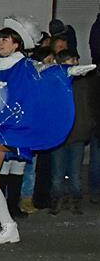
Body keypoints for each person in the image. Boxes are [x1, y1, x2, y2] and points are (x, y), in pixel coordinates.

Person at [0, 17, 94, 244]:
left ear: (16, 43)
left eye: (5, 39)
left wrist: (71, 71)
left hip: (15, 129)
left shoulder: (25, 66)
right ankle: (9, 228)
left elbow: (47, 72)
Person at [49, 50, 95, 215]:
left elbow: (88, 107)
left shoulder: (83, 83)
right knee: (58, 172)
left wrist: (88, 125)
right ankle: (57, 200)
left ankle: (75, 200)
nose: (75, 63)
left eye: (76, 59)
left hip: (77, 132)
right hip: (59, 134)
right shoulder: (55, 83)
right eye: (71, 60)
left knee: (74, 172)